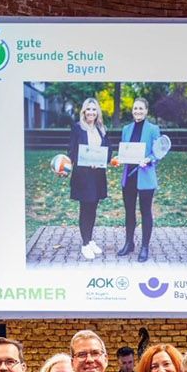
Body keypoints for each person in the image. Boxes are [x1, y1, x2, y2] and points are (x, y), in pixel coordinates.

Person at [116, 97, 163, 262]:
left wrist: (149, 159)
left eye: (141, 109)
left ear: (146, 111)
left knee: (145, 212)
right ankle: (129, 243)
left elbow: (159, 152)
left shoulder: (153, 129)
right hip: (129, 176)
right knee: (129, 212)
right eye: (135, 108)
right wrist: (119, 158)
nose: (137, 111)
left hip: (145, 177)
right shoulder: (126, 129)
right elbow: (125, 150)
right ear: (132, 110)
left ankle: (144, 247)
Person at [65, 97, 111, 259]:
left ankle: (89, 239)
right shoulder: (78, 128)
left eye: (94, 109)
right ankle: (85, 244)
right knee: (85, 209)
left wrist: (101, 161)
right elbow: (72, 150)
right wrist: (81, 162)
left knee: (93, 208)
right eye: (88, 109)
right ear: (84, 112)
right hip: (83, 176)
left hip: (98, 175)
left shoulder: (101, 129)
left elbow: (108, 149)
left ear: (97, 112)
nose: (91, 112)